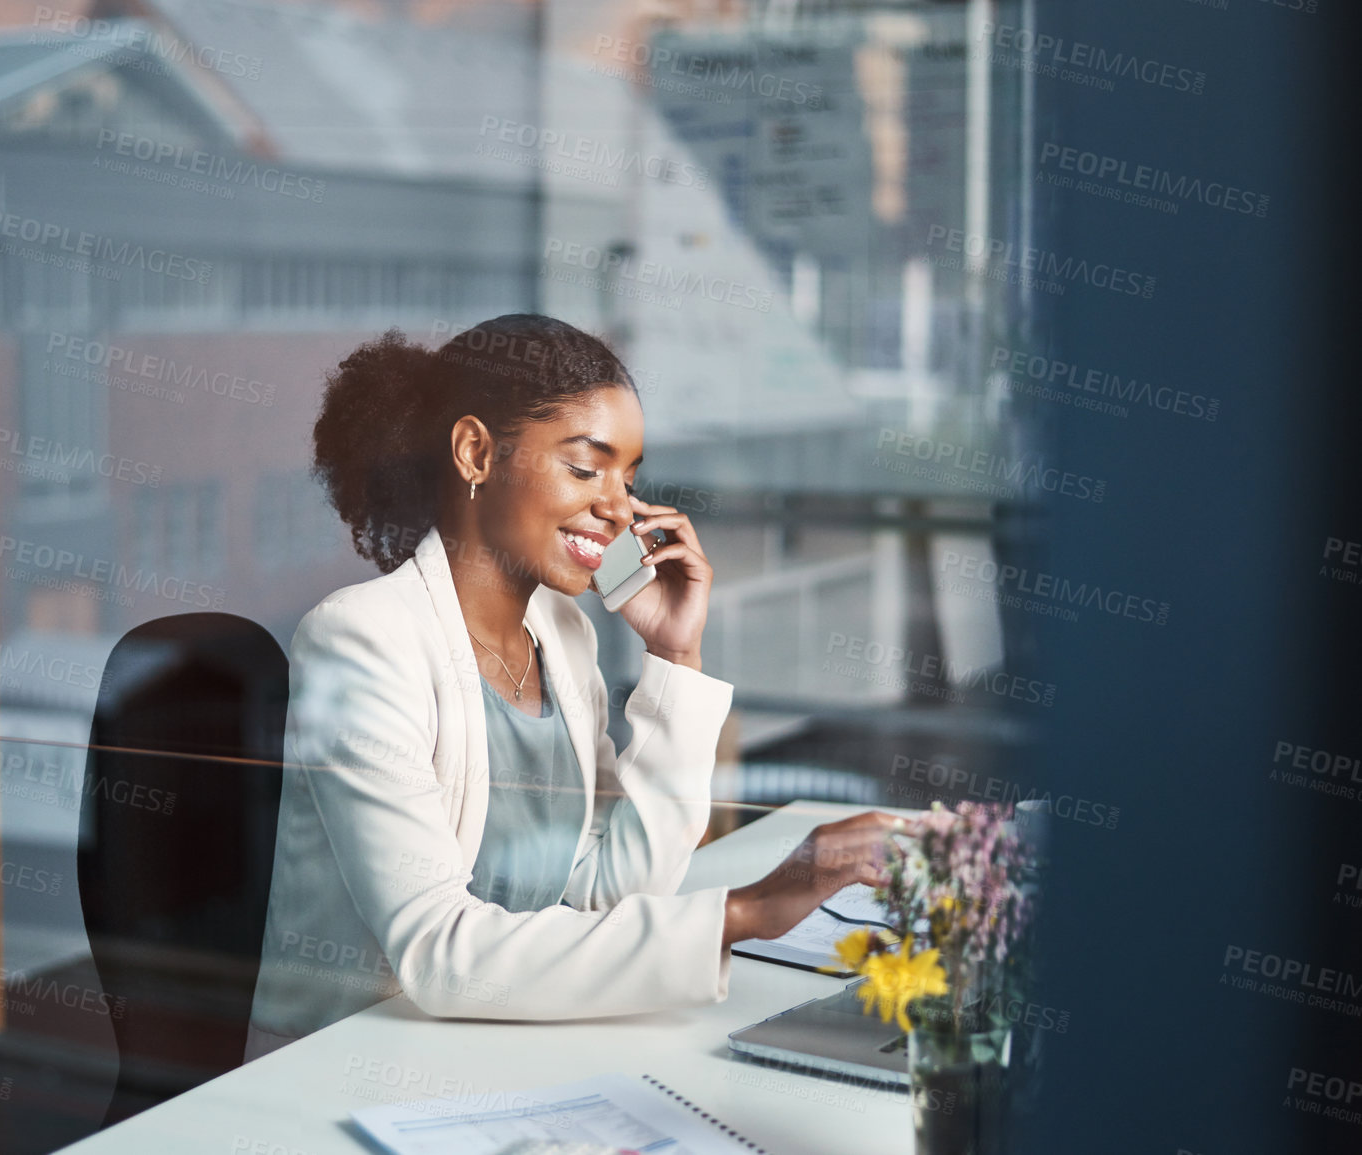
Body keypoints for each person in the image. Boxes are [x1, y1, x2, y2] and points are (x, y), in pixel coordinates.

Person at [246, 314, 911, 1061]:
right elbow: (437, 952)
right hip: (347, 1064)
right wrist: (747, 909)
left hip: (499, 1045)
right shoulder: (361, 640)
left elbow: (614, 887)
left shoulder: (563, 635)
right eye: (586, 467)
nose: (619, 506)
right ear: (475, 453)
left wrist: (674, 652)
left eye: (627, 477)